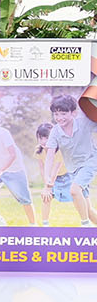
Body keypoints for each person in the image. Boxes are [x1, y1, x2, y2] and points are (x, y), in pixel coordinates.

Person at [45, 94, 97, 225]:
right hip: (73, 169)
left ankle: (85, 225)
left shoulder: (84, 122)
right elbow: (50, 156)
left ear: (73, 113)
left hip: (90, 162)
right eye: (56, 114)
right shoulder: (55, 131)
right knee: (88, 209)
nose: (59, 118)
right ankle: (89, 221)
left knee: (74, 190)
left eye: (63, 114)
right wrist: (47, 178)